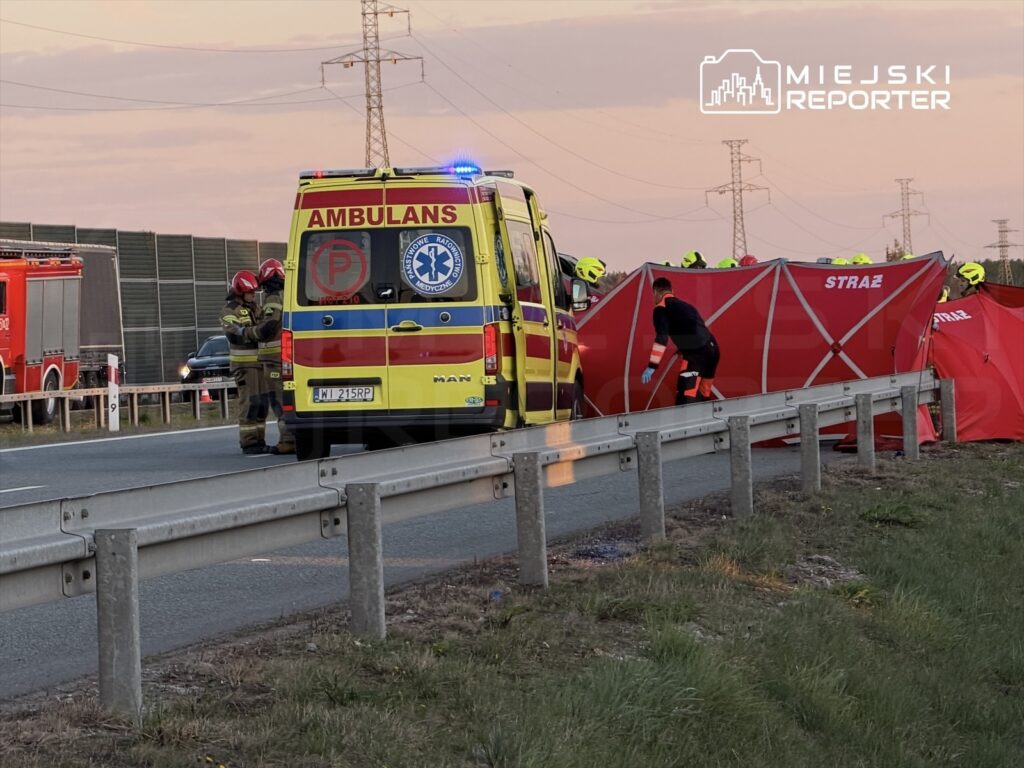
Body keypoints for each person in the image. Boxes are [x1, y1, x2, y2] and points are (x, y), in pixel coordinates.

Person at [639, 276, 720, 405]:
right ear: (672, 290)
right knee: (704, 393)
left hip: (696, 354)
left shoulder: (661, 309)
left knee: (685, 397)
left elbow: (662, 338)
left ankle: (689, 423)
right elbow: (695, 329)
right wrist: (683, 346)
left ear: (656, 292)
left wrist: (652, 366)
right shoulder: (686, 306)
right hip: (713, 349)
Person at [220, 270, 268, 454]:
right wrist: (254, 333)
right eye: (250, 292)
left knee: (262, 405)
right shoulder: (230, 310)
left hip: (259, 364)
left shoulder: (256, 308)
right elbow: (233, 333)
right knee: (250, 404)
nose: (253, 295)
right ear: (241, 291)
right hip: (244, 366)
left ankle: (260, 441)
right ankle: (248, 442)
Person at [255, 259, 295, 455]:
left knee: (279, 401)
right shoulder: (288, 295)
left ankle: (288, 441)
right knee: (286, 398)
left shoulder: (273, 299)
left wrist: (250, 333)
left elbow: (269, 325)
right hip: (283, 358)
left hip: (274, 361)